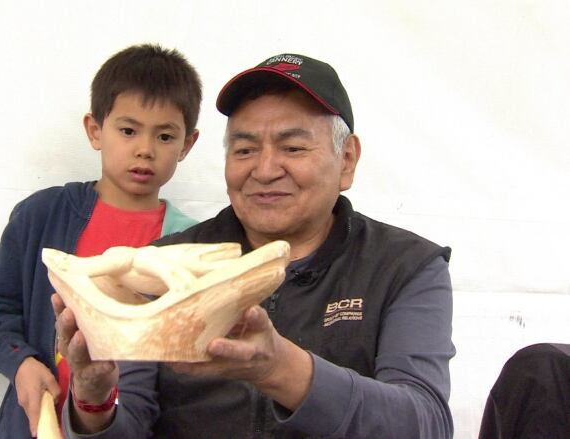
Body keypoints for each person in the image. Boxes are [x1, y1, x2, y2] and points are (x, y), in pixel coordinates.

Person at [53, 53, 456, 438]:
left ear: (346, 159)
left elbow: (425, 423)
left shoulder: (404, 266)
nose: (264, 170)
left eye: (293, 147)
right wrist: (93, 401)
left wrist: (280, 369)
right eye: (245, 150)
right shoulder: (166, 262)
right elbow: (128, 425)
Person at [0, 43, 203, 438]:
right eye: (128, 130)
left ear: (186, 145)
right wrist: (20, 363)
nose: (144, 149)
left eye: (164, 136)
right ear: (95, 130)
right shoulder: (43, 216)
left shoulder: (190, 243)